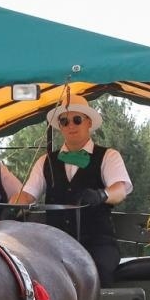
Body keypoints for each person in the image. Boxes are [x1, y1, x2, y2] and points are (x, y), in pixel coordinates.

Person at [11, 100, 131, 286]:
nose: (71, 125)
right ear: (60, 127)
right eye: (64, 121)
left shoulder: (108, 156)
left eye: (77, 120)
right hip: (55, 245)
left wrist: (101, 195)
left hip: (97, 243)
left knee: (98, 273)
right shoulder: (45, 161)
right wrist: (11, 207)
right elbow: (27, 195)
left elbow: (120, 190)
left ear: (89, 122)